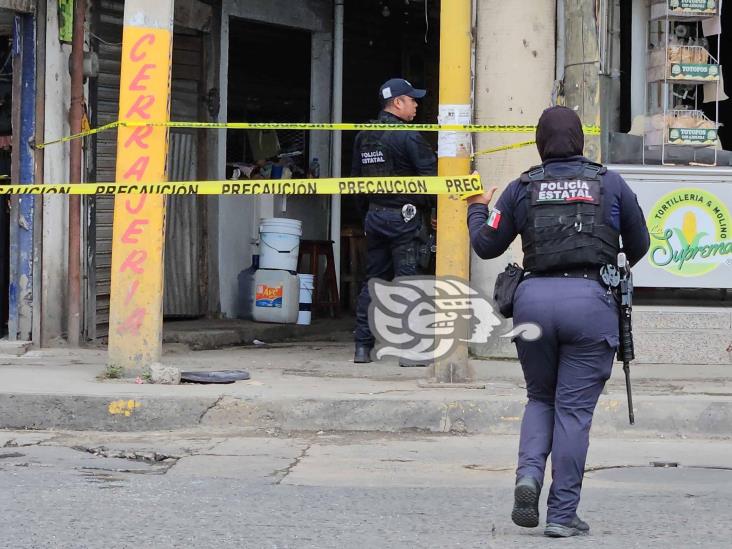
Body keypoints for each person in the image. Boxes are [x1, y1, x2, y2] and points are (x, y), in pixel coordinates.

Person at [466, 106, 650, 537]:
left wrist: (477, 207)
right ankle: (562, 514)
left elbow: (486, 244)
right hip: (589, 304)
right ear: (581, 142)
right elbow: (639, 244)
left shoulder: (522, 187)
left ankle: (528, 476)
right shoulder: (610, 183)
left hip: (532, 303)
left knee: (540, 399)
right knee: (573, 412)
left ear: (539, 142)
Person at [351, 78, 437, 365]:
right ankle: (411, 351)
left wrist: (368, 213)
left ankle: (362, 347)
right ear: (398, 103)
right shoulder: (408, 136)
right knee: (408, 281)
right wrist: (432, 209)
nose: (416, 104)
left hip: (375, 216)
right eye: (412, 99)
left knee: (373, 281)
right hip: (404, 217)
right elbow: (430, 179)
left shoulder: (364, 135)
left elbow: (355, 181)